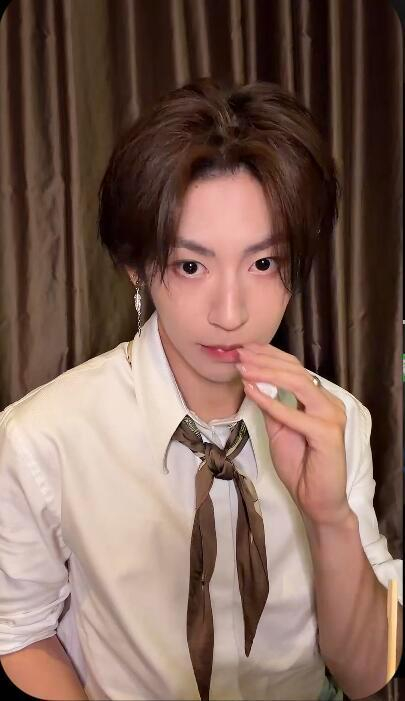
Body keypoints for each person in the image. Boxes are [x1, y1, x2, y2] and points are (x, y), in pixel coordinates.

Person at [0, 78, 402, 701]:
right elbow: (19, 631)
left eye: (263, 263)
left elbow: (366, 673)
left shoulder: (336, 418)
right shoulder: (42, 438)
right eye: (191, 265)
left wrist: (329, 518)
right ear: (137, 267)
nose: (230, 312)